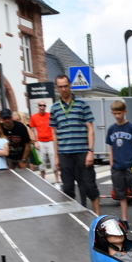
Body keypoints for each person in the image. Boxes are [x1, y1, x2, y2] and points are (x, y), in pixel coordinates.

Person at [50, 74, 99, 213]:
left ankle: (98, 219)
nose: (64, 89)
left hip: (82, 152)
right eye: (60, 87)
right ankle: (73, 219)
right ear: (57, 88)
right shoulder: (54, 108)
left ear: (70, 85)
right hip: (65, 153)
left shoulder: (82, 104)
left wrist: (90, 151)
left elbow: (90, 129)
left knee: (89, 186)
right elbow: (54, 133)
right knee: (67, 188)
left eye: (66, 86)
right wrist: (56, 156)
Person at [106, 100, 132, 232]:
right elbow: (110, 149)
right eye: (115, 113)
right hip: (117, 168)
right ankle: (125, 221)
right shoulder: (111, 129)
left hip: (130, 167)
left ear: (125, 112)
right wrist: (112, 165)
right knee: (121, 196)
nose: (117, 116)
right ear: (112, 113)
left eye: (120, 113)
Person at [29, 100, 57, 182]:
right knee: (42, 161)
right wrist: (35, 142)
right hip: (40, 141)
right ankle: (43, 181)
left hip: (50, 140)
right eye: (41, 105)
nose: (42, 107)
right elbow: (32, 129)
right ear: (38, 106)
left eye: (44, 105)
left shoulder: (50, 116)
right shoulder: (34, 117)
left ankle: (57, 180)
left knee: (54, 160)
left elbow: (54, 128)